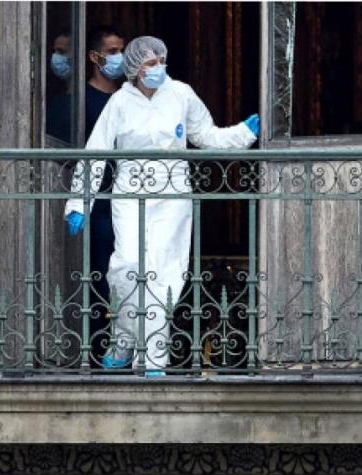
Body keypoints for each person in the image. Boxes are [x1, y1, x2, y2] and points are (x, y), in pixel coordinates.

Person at [64, 35, 260, 376]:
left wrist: (242, 133)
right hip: (130, 193)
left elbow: (205, 135)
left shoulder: (181, 94)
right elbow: (96, 151)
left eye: (161, 61)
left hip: (172, 194)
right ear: (135, 68)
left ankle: (152, 358)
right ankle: (124, 339)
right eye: (150, 63)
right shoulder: (120, 102)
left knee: (163, 273)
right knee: (126, 265)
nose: (158, 68)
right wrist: (79, 202)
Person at [73, 25, 124, 363]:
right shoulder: (81, 100)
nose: (120, 57)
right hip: (99, 201)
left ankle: (128, 347)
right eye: (113, 51)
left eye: (122, 50)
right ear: (95, 57)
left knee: (130, 273)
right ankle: (97, 349)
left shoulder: (128, 98)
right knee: (100, 275)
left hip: (129, 196)